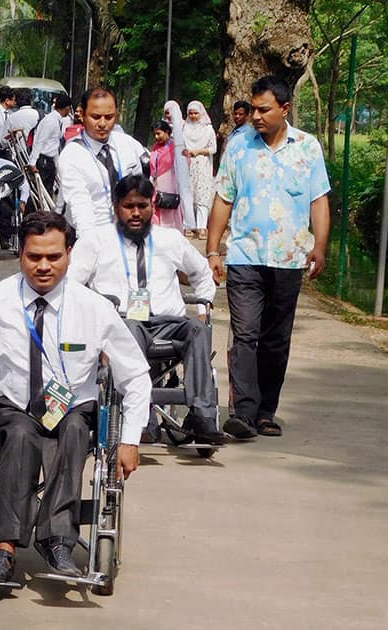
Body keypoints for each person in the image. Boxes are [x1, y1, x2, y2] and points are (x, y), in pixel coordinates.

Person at [0, 211, 150, 583]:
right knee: (22, 434)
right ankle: (4, 549)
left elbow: (135, 375)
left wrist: (131, 438)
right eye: (33, 257)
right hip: (10, 406)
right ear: (20, 255)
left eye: (53, 257)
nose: (43, 266)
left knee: (74, 429)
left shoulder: (94, 308)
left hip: (73, 405)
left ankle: (57, 541)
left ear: (69, 254)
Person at [206, 75, 330, 440]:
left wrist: (319, 247)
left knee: (276, 339)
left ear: (284, 109)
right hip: (245, 255)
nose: (256, 116)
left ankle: (265, 411)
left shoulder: (307, 148)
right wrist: (214, 249)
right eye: (254, 108)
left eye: (264, 110)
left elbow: (319, 200)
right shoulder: (239, 145)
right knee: (245, 334)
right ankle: (242, 413)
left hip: (289, 259)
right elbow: (223, 197)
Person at [68, 175, 224, 444]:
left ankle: (202, 417)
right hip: (122, 321)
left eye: (142, 205)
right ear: (116, 206)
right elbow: (71, 285)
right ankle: (142, 419)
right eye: (129, 206)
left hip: (168, 321)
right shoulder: (96, 240)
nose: (136, 213)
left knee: (198, 329)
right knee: (128, 329)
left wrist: (202, 305)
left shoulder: (170, 239)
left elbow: (202, 274)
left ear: (152, 205)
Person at [56, 87, 148, 238]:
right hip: (92, 235)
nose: (102, 123)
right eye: (96, 117)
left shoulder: (127, 144)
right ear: (82, 114)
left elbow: (139, 190)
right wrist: (93, 245)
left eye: (109, 117)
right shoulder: (73, 154)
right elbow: (80, 205)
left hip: (127, 235)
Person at [183, 101, 216, 239]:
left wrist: (199, 151)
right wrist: (187, 152)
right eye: (190, 113)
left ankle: (202, 227)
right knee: (188, 194)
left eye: (196, 113)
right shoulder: (185, 128)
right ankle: (188, 225)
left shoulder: (208, 129)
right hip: (188, 163)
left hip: (202, 164)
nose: (193, 116)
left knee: (202, 195)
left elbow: (213, 148)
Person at [29, 93, 72, 196]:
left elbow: (54, 143)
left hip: (49, 161)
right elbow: (40, 141)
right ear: (67, 108)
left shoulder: (57, 120)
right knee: (41, 192)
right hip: (43, 162)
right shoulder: (51, 121)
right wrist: (32, 162)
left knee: (48, 192)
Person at [162, 100, 195, 236]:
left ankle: (188, 222)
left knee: (184, 190)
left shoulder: (183, 126)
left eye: (170, 112)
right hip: (167, 162)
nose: (168, 115)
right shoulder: (163, 126)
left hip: (181, 160)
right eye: (166, 113)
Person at [148, 120, 183, 231]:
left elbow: (184, 165)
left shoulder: (175, 148)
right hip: (156, 182)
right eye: (155, 134)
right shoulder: (155, 147)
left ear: (167, 132)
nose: (156, 137)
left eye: (159, 133)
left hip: (170, 183)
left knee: (168, 209)